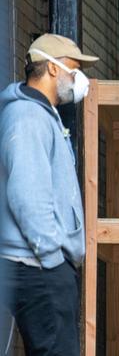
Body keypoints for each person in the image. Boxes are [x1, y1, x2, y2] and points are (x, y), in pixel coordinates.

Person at [0, 33, 98, 355]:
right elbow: (27, 197)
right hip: (38, 268)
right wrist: (53, 260)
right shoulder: (27, 117)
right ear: (53, 69)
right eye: (74, 68)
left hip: (40, 266)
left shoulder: (42, 116)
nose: (79, 78)